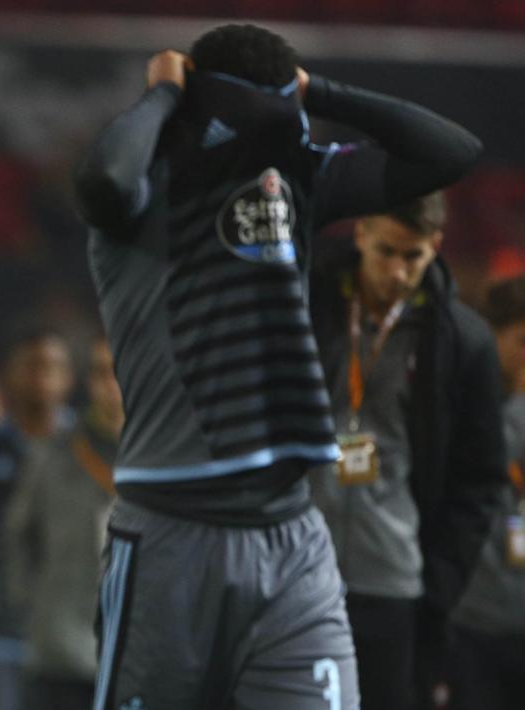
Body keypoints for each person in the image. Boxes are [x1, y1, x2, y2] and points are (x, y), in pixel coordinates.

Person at [73, 23, 483, 710]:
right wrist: (164, 94)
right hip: (172, 535)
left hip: (292, 536)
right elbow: (102, 176)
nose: (275, 128)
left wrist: (318, 90)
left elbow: (451, 152)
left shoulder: (299, 179)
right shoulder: (143, 192)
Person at [308, 193, 504, 709]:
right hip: (298, 570)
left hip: (394, 585)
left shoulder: (462, 341)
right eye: (386, 252)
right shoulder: (309, 308)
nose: (397, 272)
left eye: (412, 257)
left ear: (436, 247)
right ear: (361, 235)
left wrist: (436, 585)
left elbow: (480, 478)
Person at [3, 336, 123, 710]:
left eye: (119, 373)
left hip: (138, 651)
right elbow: (18, 536)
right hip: (59, 649)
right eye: (101, 373)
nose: (111, 385)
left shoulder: (163, 458)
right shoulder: (54, 452)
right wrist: (31, 605)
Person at [0, 327, 75, 710]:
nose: (41, 376)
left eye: (52, 366)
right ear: (11, 374)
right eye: (31, 365)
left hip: (72, 631)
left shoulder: (90, 453)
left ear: (69, 377)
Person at [446, 275, 525, 710]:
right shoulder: (468, 398)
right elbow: (490, 458)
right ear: (493, 337)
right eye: (522, 340)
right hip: (476, 617)